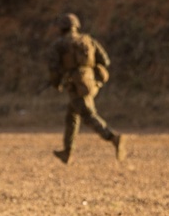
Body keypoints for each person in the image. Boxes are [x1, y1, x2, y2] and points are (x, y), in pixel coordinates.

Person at [47, 13, 125, 164]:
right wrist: (88, 71)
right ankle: (67, 151)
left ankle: (112, 137)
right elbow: (105, 60)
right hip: (91, 83)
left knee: (88, 115)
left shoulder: (60, 44)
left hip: (75, 85)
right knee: (72, 116)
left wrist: (56, 82)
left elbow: (53, 68)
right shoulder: (88, 40)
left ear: (62, 28)